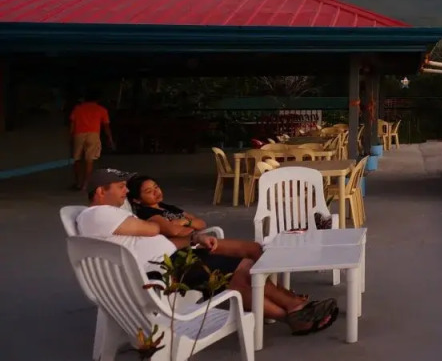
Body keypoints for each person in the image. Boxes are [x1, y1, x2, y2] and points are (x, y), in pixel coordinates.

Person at [76, 169, 337, 335]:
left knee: (240, 275)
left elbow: (158, 235)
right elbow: (153, 229)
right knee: (244, 269)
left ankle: (294, 313)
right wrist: (161, 229)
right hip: (165, 271)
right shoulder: (98, 214)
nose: (124, 191)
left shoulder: (111, 216)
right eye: (120, 186)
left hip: (173, 259)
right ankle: (296, 309)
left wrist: (194, 237)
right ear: (100, 191)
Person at [127, 175, 263, 261]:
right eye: (149, 191)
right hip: (187, 250)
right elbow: (174, 231)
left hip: (199, 241)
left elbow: (201, 223)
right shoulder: (147, 213)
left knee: (255, 248)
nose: (156, 192)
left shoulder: (166, 207)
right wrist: (187, 226)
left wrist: (184, 222)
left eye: (156, 187)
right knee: (250, 254)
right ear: (137, 200)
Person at [69, 92, 115, 191]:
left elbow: (72, 124)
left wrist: (71, 136)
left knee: (77, 159)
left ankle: (78, 183)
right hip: (93, 135)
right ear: (98, 99)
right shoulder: (101, 109)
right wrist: (110, 138)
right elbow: (106, 126)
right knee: (89, 160)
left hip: (78, 134)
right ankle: (85, 184)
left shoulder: (78, 108)